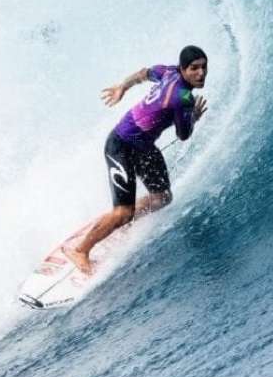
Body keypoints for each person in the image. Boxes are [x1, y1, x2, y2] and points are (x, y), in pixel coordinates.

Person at [63, 45, 209, 274]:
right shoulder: (183, 98)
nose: (200, 73)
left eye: (203, 67)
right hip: (121, 145)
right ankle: (80, 251)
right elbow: (183, 135)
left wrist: (123, 85)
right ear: (183, 68)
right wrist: (193, 118)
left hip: (143, 147)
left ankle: (120, 220)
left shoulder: (168, 71)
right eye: (194, 68)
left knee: (161, 197)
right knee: (123, 212)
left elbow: (143, 73)